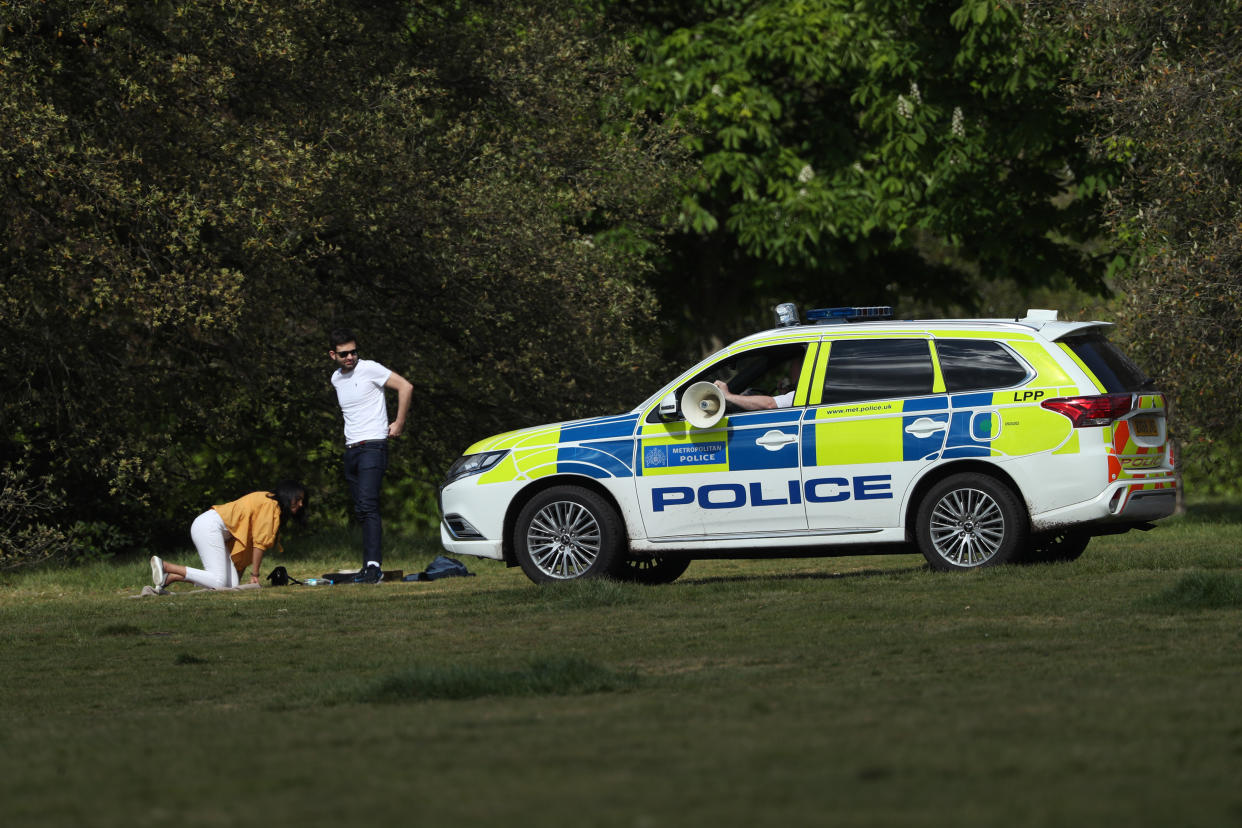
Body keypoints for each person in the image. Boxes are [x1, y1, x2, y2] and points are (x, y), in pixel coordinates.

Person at [328, 329, 414, 584]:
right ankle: (368, 566)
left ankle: (374, 567)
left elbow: (405, 386)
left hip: (373, 446)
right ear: (333, 355)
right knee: (361, 510)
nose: (351, 357)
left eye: (354, 351)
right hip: (351, 449)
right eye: (344, 353)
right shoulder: (336, 378)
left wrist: (398, 422)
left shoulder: (370, 368)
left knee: (368, 505)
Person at [150, 482, 307, 591]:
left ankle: (171, 577)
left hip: (212, 528)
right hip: (208, 526)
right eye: (298, 499)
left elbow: (248, 541)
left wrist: (238, 573)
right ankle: (165, 566)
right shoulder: (270, 504)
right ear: (288, 495)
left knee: (230, 586)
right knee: (218, 581)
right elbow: (259, 543)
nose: (301, 504)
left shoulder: (268, 502)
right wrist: (255, 574)